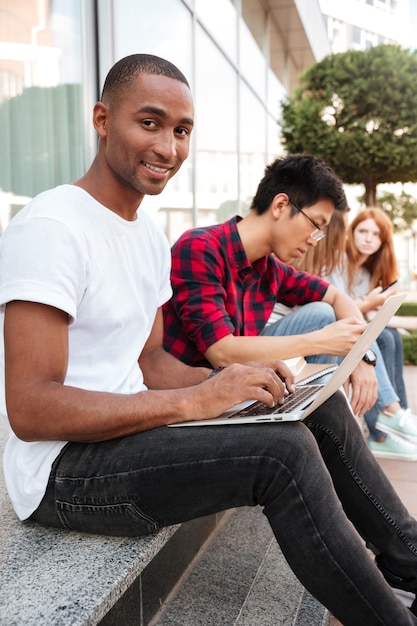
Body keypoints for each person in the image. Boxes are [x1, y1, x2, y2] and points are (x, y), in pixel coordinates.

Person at [0, 55, 417, 626]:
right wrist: (198, 400)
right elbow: (29, 408)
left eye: (181, 130)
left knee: (316, 410)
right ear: (101, 120)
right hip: (64, 472)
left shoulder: (146, 236)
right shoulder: (51, 227)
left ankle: (411, 564)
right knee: (282, 454)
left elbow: (149, 362)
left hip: (132, 428)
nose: (168, 147)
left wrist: (239, 388)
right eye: (148, 123)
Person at [163, 154, 380, 417]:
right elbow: (222, 351)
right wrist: (321, 342)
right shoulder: (199, 248)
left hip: (241, 388)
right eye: (315, 225)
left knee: (325, 311)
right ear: (280, 205)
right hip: (189, 398)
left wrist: (362, 356)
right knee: (322, 318)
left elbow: (336, 296)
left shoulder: (270, 269)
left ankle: (309, 419)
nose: (315, 240)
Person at [296, 207, 417, 458]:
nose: (368, 238)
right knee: (381, 337)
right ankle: (386, 424)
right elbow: (338, 309)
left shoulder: (369, 271)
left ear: (383, 241)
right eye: (362, 231)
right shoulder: (336, 261)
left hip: (348, 324)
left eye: (376, 234)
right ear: (351, 233)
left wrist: (399, 319)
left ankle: (394, 418)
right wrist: (367, 303)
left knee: (390, 337)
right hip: (330, 326)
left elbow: (368, 315)